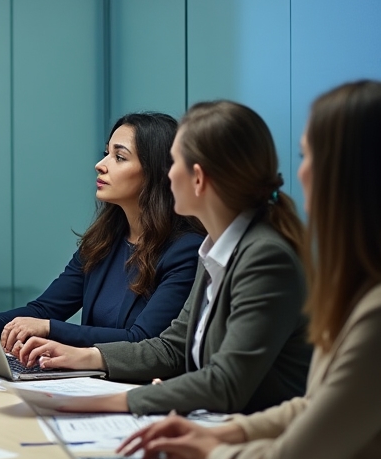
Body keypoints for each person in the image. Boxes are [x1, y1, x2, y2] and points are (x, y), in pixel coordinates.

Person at [120, 81, 381, 459]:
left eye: (307, 155)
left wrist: (211, 449)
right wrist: (227, 433)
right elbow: (313, 406)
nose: (300, 172)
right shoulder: (356, 294)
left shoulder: (362, 305)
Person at [17, 100, 312, 416]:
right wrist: (86, 357)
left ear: (197, 178)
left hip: (257, 441)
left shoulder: (264, 257)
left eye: (173, 164)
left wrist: (103, 402)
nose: (166, 175)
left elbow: (225, 383)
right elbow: (171, 347)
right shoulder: (216, 248)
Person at [0, 112, 203, 350]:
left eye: (119, 157)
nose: (100, 165)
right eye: (105, 153)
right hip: (89, 384)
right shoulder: (104, 241)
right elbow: (43, 309)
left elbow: (143, 340)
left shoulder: (185, 250)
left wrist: (50, 329)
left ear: (155, 172)